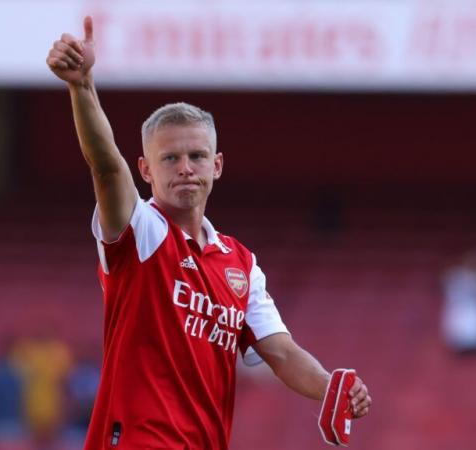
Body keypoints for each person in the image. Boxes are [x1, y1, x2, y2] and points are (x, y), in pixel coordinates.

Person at [46, 16, 371, 449]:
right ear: (145, 170)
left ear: (216, 166)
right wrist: (82, 87)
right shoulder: (141, 231)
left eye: (197, 156)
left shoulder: (241, 264)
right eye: (169, 158)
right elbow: (105, 165)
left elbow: (282, 353)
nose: (185, 167)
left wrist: (332, 388)